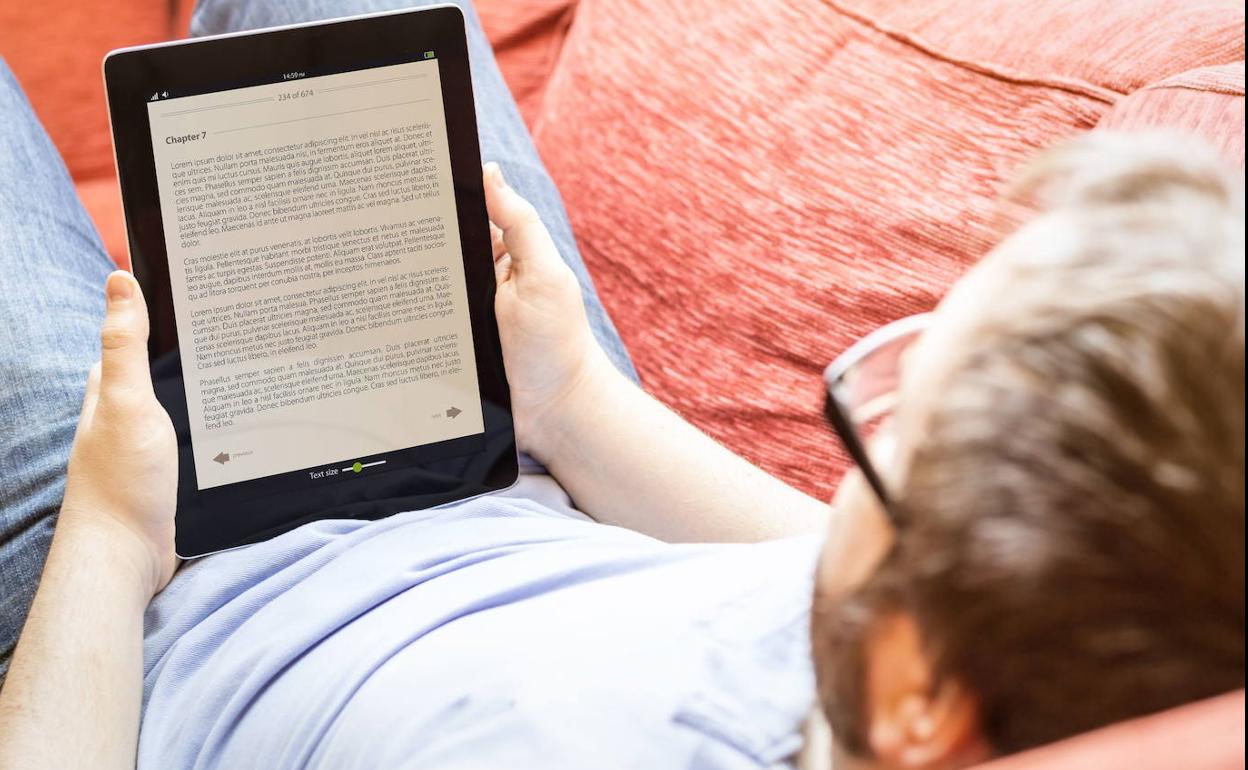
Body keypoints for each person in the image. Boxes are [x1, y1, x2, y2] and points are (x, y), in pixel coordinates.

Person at [0, 1, 1243, 768]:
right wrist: (572, 400)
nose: (874, 391)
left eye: (897, 423)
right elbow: (819, 555)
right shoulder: (968, 652)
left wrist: (110, 524)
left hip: (151, 596)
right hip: (506, 449)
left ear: (921, 689)